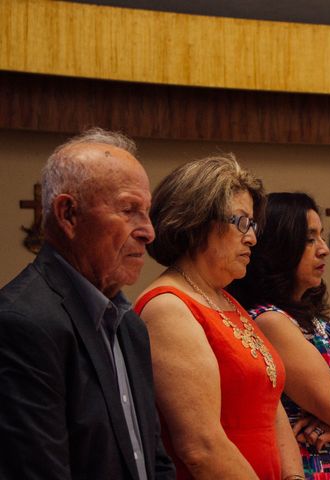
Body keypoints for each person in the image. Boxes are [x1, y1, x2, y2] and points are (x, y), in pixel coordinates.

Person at [0, 128, 175, 479]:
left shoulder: (131, 325)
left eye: (147, 212)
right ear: (68, 215)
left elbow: (156, 462)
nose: (148, 232)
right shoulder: (21, 323)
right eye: (129, 210)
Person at [134, 156, 304, 480]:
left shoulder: (224, 298)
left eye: (253, 225)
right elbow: (200, 448)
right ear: (197, 222)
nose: (252, 238)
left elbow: (270, 405)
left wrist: (294, 476)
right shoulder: (168, 306)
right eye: (241, 222)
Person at [229, 192, 330, 479]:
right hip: (305, 471)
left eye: (321, 237)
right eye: (309, 239)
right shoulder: (270, 321)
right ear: (279, 247)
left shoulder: (316, 321)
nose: (324, 249)